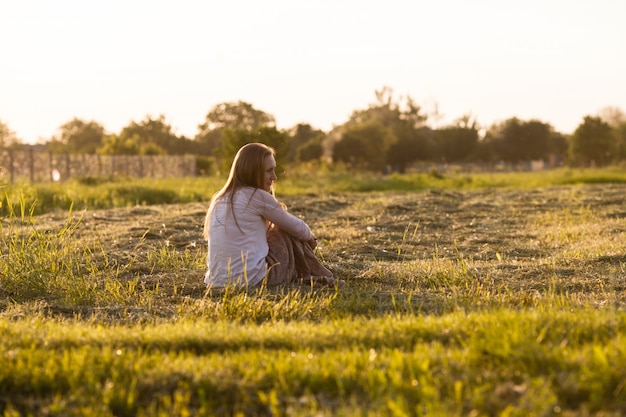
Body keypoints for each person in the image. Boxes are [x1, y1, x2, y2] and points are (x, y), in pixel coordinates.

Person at [203, 142, 339, 289]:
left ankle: (312, 271)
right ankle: (316, 272)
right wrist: (310, 237)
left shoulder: (219, 199)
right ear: (252, 171)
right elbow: (298, 228)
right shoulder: (256, 196)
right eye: (269, 171)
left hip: (215, 282)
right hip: (253, 281)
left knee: (279, 228)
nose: (274, 177)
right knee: (283, 230)